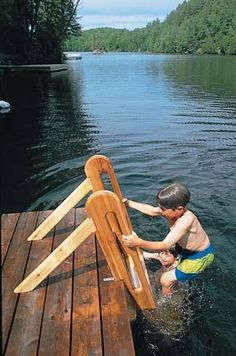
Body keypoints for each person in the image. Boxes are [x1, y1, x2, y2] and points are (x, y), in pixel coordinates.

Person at [122, 182, 214, 295]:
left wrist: (138, 242)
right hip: (184, 249)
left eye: (163, 209)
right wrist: (129, 203)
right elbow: (151, 210)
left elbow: (165, 245)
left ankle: (168, 307)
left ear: (179, 209)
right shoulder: (171, 210)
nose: (161, 211)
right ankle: (160, 260)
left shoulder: (187, 220)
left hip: (199, 256)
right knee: (166, 260)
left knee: (165, 280)